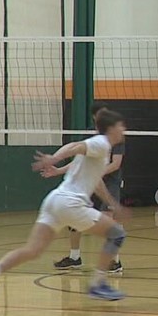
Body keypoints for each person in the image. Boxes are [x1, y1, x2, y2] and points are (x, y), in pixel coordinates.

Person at [0, 110, 130, 308]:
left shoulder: (101, 152)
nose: (123, 129)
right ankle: (98, 283)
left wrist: (114, 205)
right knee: (116, 233)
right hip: (71, 203)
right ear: (112, 128)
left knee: (32, 250)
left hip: (55, 201)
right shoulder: (101, 143)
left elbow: (96, 182)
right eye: (121, 125)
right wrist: (54, 158)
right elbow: (75, 146)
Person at [47, 101, 125, 273]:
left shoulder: (114, 136)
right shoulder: (91, 137)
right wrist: (58, 169)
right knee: (73, 218)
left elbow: (116, 164)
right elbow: (79, 160)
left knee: (108, 222)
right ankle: (74, 257)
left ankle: (115, 262)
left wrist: (96, 172)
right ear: (95, 118)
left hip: (109, 182)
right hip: (90, 182)